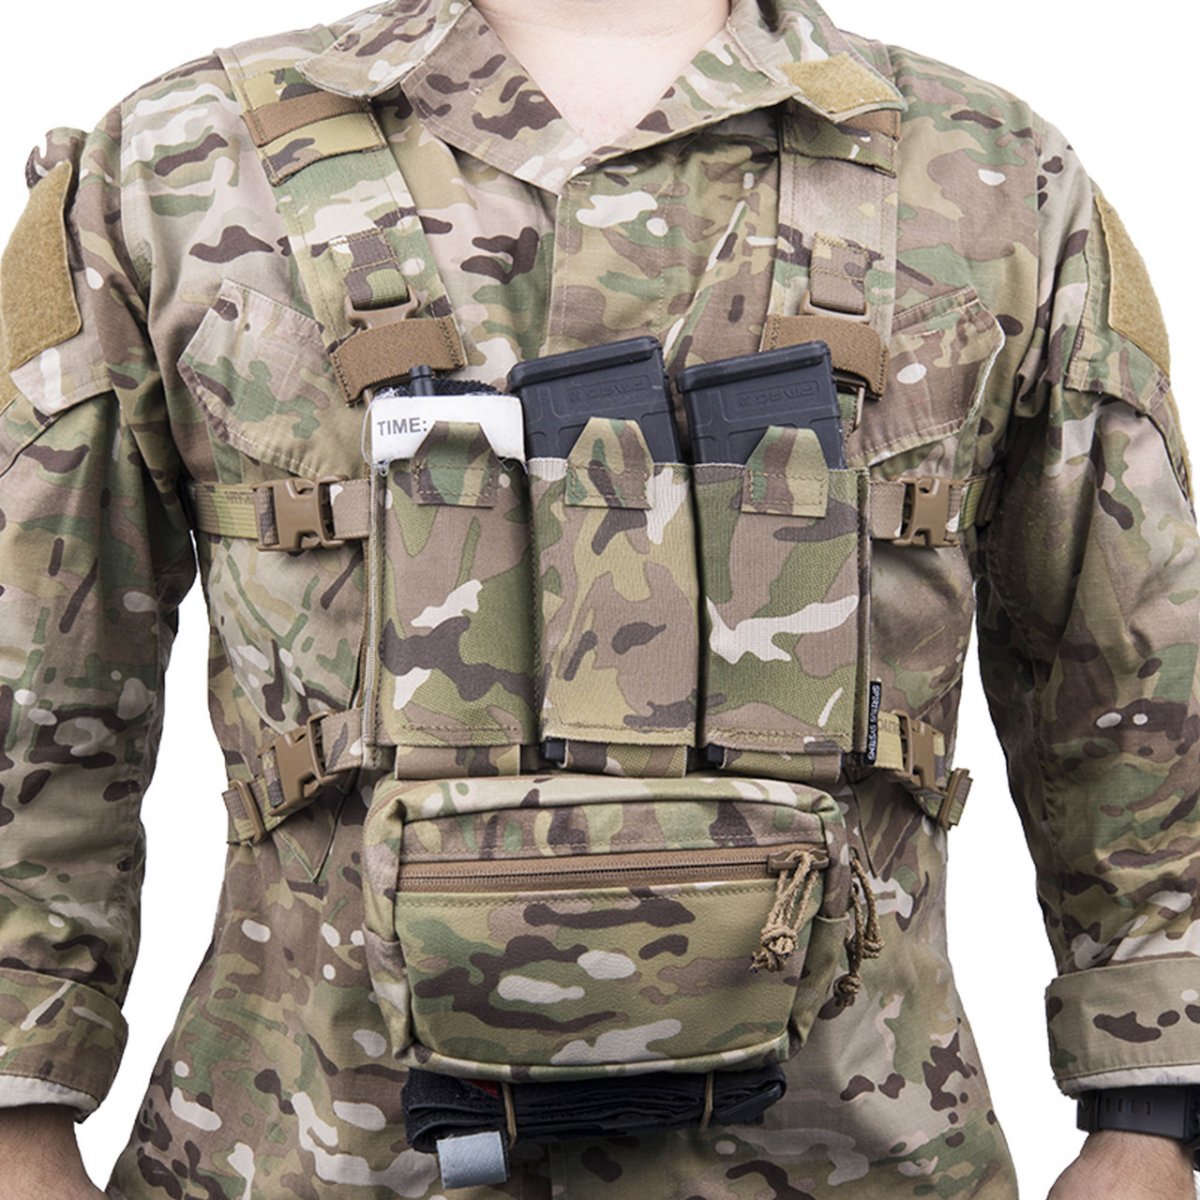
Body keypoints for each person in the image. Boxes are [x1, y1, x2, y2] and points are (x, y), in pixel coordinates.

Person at [0, 0, 1197, 1197]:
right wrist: (16, 1129)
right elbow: (35, 673)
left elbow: (1135, 683)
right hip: (301, 1151)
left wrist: (1150, 1125)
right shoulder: (175, 162)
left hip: (856, 1156)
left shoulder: (997, 175)